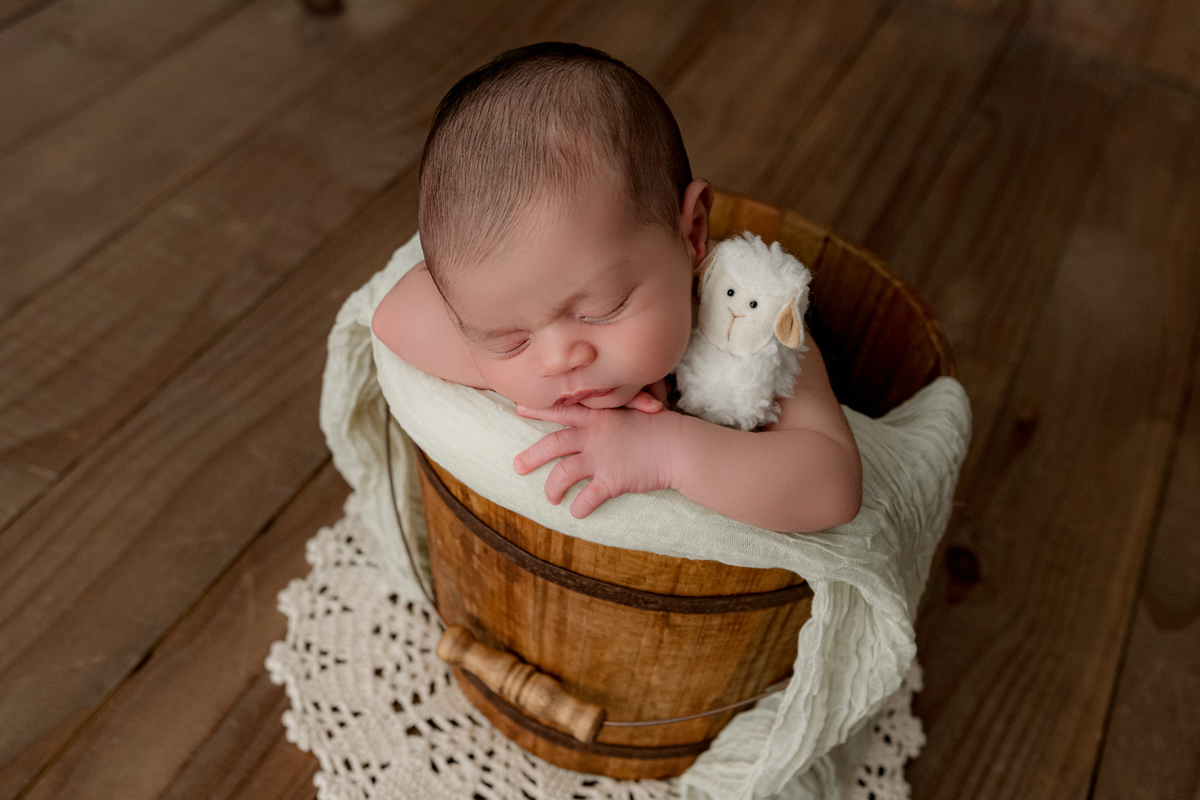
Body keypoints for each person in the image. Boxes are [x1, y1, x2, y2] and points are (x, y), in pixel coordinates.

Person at [372, 42, 861, 532]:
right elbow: (393, 318)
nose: (559, 359)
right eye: (510, 340)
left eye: (602, 309)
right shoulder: (529, 313)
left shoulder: (751, 318)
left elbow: (833, 486)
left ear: (692, 234)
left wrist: (666, 448)